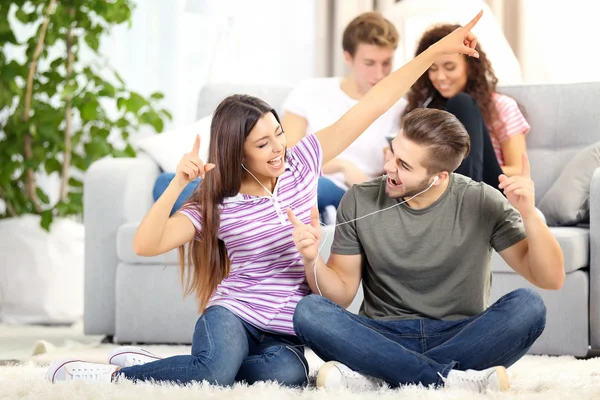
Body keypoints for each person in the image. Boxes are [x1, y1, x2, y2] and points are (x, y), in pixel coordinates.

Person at [45, 11, 484, 387]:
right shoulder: (217, 204)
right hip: (233, 312)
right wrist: (179, 183)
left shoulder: (302, 162)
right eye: (264, 144)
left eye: (278, 134)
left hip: (285, 328)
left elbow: (370, 105)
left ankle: (170, 366)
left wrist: (430, 53)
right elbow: (145, 245)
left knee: (289, 379)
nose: (278, 148)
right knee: (215, 373)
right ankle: (115, 376)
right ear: (238, 151)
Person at [288, 107, 564, 392]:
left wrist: (529, 215)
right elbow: (341, 294)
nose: (389, 167)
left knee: (528, 306)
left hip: (460, 334)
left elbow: (550, 279)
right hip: (382, 334)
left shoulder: (483, 201)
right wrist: (311, 261)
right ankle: (449, 378)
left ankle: (381, 374)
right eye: (392, 153)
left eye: (404, 166)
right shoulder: (360, 198)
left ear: (439, 177)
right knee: (309, 311)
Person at [281, 12, 407, 221]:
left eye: (386, 63)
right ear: (348, 57)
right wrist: (343, 166)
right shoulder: (310, 91)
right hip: (307, 183)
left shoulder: (401, 109)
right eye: (369, 63)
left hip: (360, 196)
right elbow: (285, 154)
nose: (379, 74)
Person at [402, 23, 530, 190]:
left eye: (450, 67)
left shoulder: (500, 106)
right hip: (438, 190)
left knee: (461, 102)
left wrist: (471, 168)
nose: (440, 77)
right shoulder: (424, 108)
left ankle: (464, 194)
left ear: (469, 66)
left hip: (490, 189)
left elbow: (519, 170)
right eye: (432, 69)